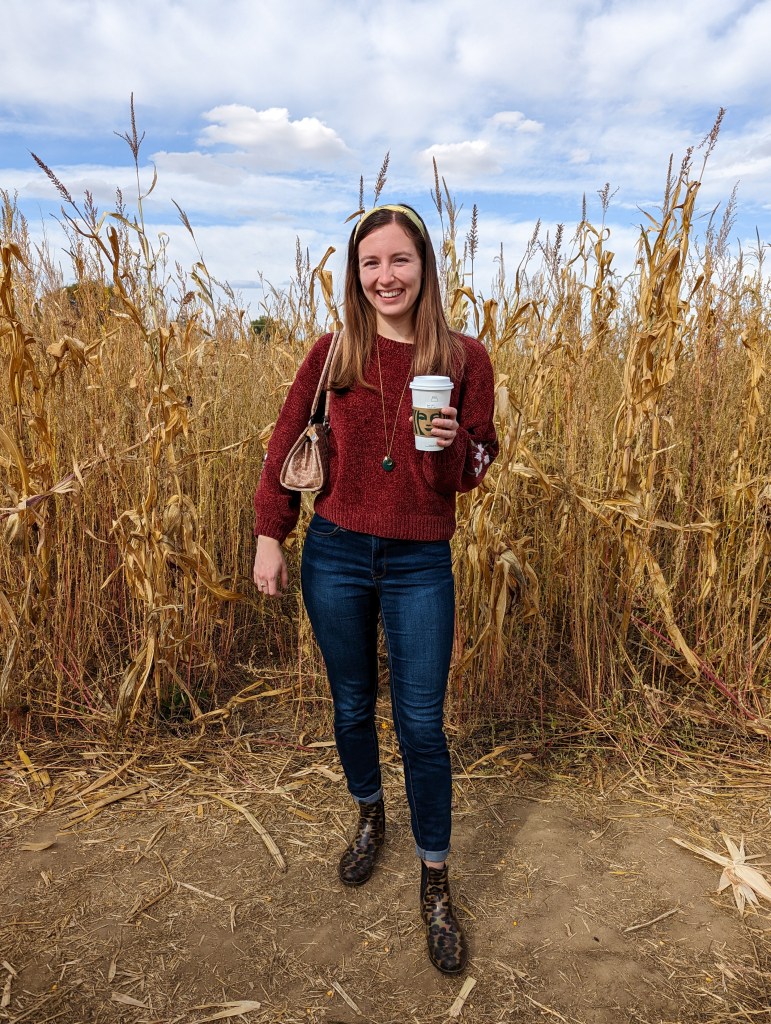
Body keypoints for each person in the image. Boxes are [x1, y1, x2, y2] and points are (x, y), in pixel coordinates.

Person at [252, 203, 498, 974]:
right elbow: (284, 438)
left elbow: (478, 466)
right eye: (370, 264)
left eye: (399, 261)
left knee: (421, 725)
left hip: (422, 559)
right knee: (352, 703)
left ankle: (434, 877)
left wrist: (457, 446)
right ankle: (369, 816)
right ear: (354, 277)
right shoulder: (333, 355)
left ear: (423, 267)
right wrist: (271, 534)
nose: (385, 276)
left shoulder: (464, 359)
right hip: (336, 551)